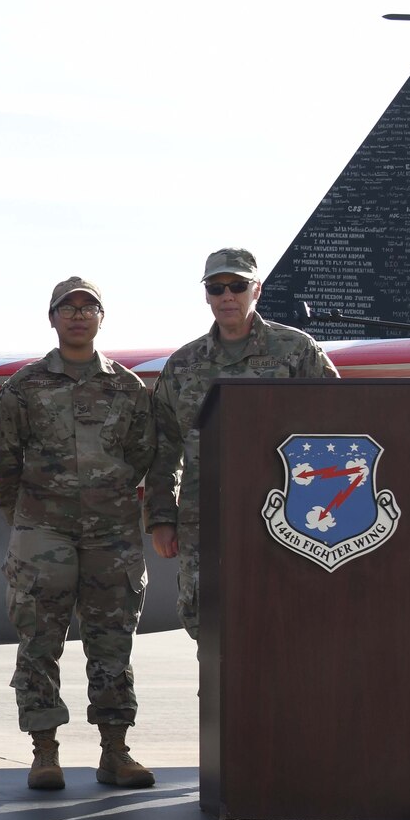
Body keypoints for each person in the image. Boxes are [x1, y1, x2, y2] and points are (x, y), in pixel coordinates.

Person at [0, 278, 157, 789]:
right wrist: (27, 516)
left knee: (112, 645)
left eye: (89, 307)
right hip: (44, 531)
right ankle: (44, 752)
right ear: (52, 317)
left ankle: (115, 751)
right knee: (39, 643)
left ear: (102, 317)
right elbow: (4, 456)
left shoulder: (127, 388)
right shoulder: (24, 387)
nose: (78, 316)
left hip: (112, 535)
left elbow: (143, 453)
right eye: (68, 308)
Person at [147, 247, 339, 638]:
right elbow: (164, 446)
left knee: (284, 617)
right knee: (207, 622)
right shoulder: (183, 365)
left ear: (257, 290)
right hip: (206, 516)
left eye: (237, 286)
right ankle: (218, 699)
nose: (227, 296)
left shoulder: (297, 351)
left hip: (284, 515)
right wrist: (162, 519)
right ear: (206, 296)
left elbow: (336, 421)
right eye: (217, 288)